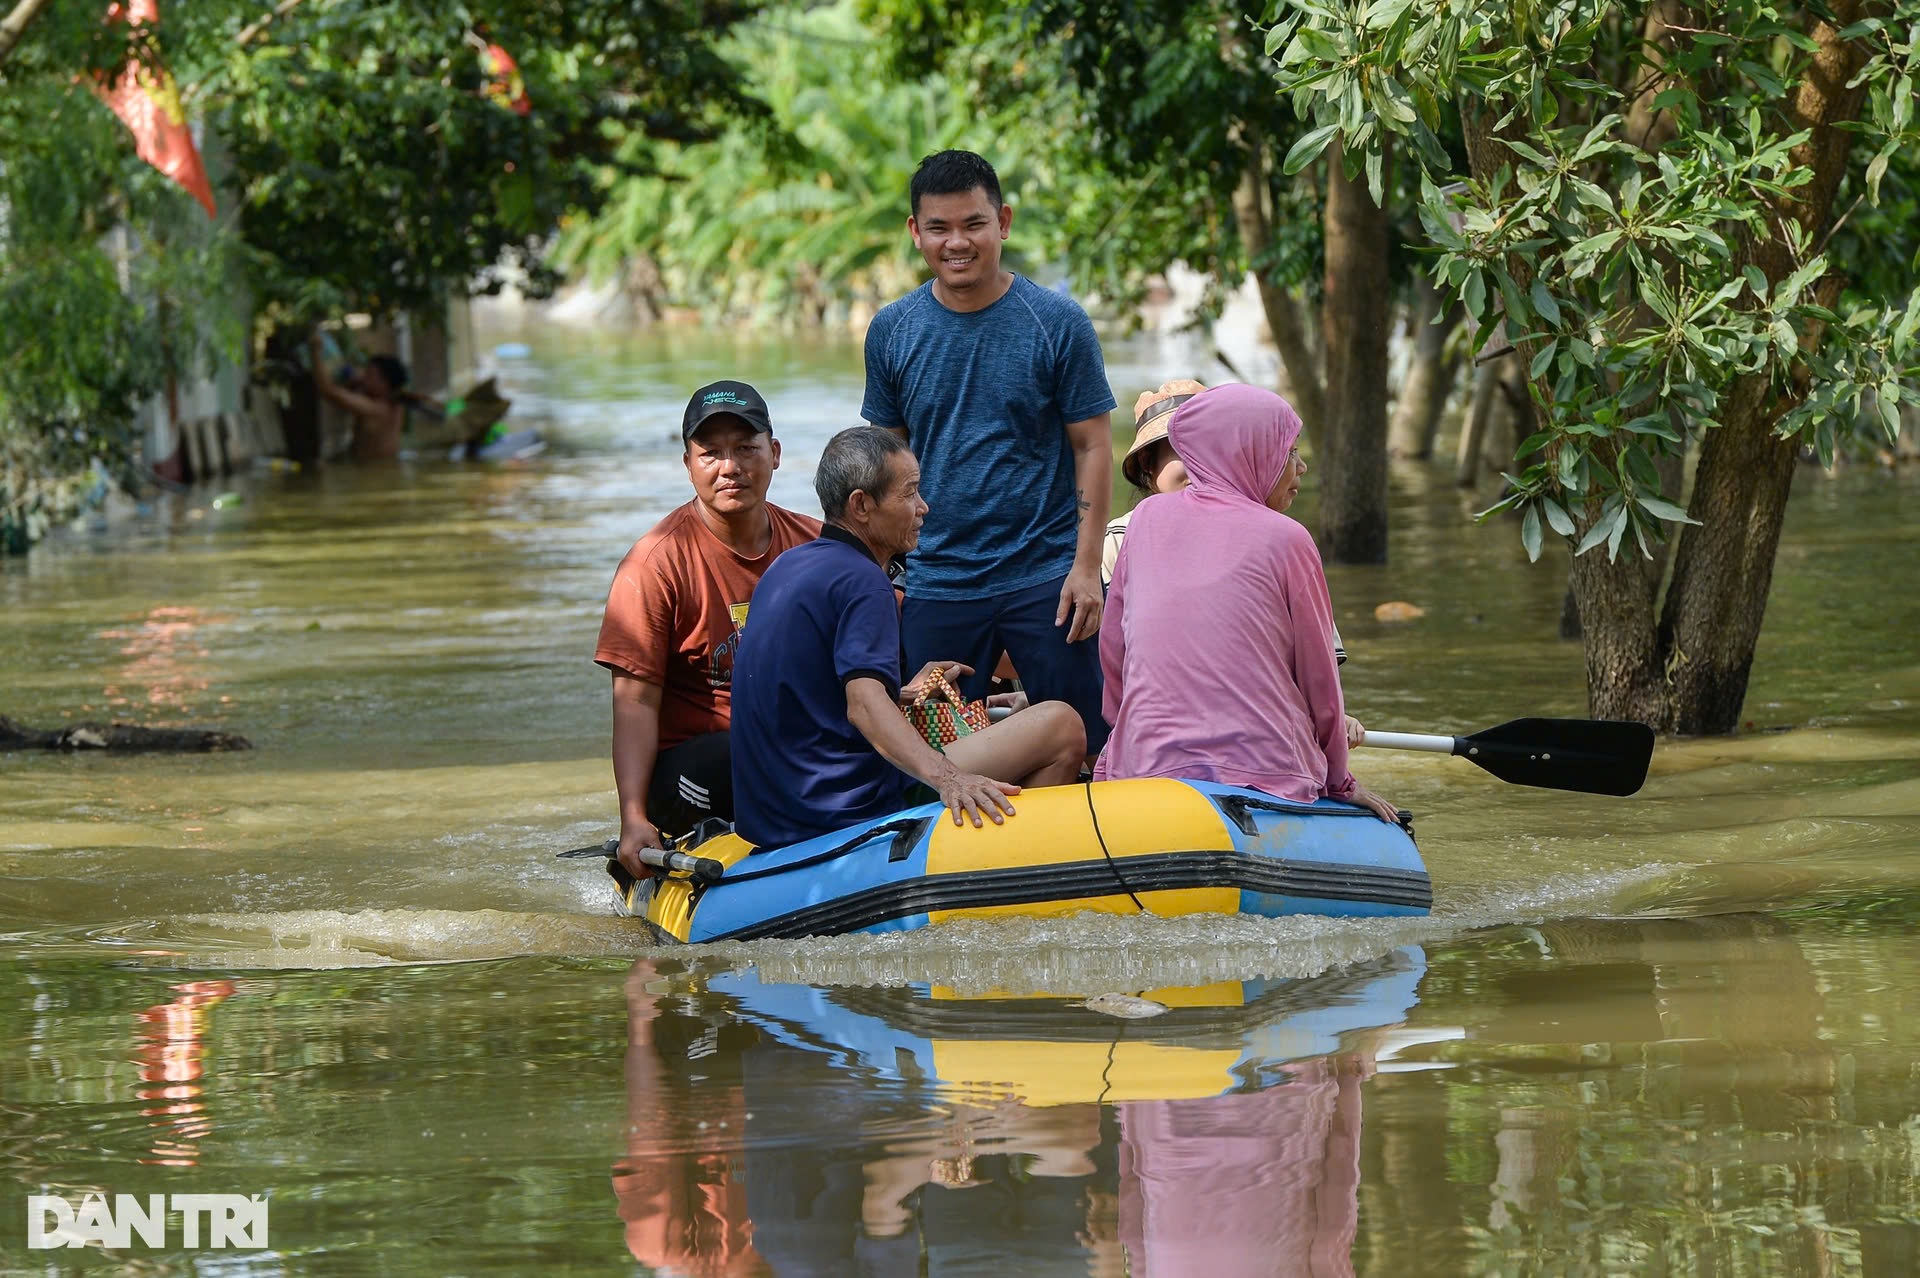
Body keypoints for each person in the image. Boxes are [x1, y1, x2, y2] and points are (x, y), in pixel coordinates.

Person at [862, 149, 1117, 758]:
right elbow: (886, 460)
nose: (958, 242)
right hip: (938, 580)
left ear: (1002, 222)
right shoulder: (892, 330)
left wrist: (1087, 568)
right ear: (915, 234)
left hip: (1046, 575)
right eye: (939, 228)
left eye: (973, 224)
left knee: (1091, 746)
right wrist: (879, 573)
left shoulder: (1056, 322)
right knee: (922, 757)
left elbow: (1094, 444)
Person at [730, 427, 1086, 850]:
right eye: (910, 493)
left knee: (998, 721)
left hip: (774, 816)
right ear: (861, 505)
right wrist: (949, 779)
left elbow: (811, 694)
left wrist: (899, 693)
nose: (923, 508)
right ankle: (1014, 858)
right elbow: (862, 704)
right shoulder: (864, 580)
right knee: (1062, 725)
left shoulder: (788, 566)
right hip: (842, 809)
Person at [1096, 384, 1396, 822]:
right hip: (1267, 768)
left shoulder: (1143, 520)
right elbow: (1320, 679)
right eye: (1289, 451)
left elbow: (1114, 653)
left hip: (1144, 761)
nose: (1302, 466)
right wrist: (1340, 780)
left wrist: (1126, 740)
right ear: (1248, 452)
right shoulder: (1288, 537)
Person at [594, 381, 821, 879]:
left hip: (799, 746)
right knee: (739, 750)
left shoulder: (817, 546)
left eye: (745, 449)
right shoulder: (652, 565)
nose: (730, 467)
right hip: (701, 765)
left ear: (775, 454)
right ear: (688, 465)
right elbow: (634, 703)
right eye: (711, 453)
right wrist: (633, 818)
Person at [308, 331, 411, 462]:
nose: (363, 377)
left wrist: (315, 353)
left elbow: (328, 391)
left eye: (369, 374)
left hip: (372, 472)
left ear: (384, 383)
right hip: (381, 467)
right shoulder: (395, 402)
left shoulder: (376, 408)